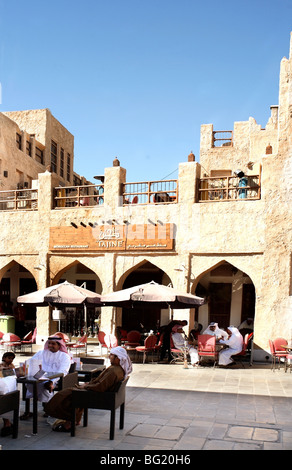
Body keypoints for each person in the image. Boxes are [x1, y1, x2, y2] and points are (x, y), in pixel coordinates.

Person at [44, 346, 132, 432]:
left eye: (112, 355)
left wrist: (86, 386)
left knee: (65, 395)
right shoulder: (117, 369)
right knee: (71, 392)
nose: (109, 357)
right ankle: (74, 419)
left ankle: (69, 422)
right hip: (101, 392)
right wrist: (88, 384)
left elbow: (100, 387)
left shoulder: (113, 371)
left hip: (99, 395)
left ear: (118, 358)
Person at [21, 336, 72, 418]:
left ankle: (48, 408)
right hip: (40, 376)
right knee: (29, 384)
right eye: (49, 343)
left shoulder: (65, 356)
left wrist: (52, 381)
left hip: (56, 379)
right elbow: (31, 362)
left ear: (59, 345)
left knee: (45, 385)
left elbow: (63, 371)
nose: (50, 345)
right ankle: (41, 409)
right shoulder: (41, 353)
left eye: (53, 344)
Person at [0, 352, 16, 436]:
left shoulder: (11, 366)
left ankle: (7, 423)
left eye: (12, 358)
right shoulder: (2, 365)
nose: (10, 360)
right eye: (9, 358)